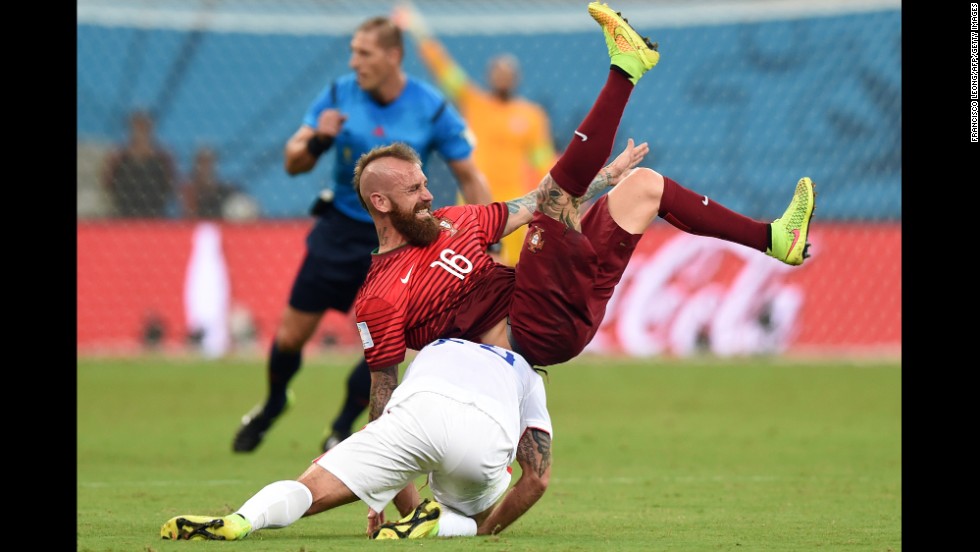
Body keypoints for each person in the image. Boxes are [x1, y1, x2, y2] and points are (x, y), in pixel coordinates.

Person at [350, 0, 815, 469]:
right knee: (555, 200)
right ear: (382, 204)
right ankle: (626, 69)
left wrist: (602, 180)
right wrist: (384, 494)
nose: (429, 194)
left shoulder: (482, 182)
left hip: (551, 283)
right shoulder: (382, 291)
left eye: (426, 183)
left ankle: (775, 238)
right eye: (415, 189)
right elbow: (383, 396)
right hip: (530, 323)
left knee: (643, 187)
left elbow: (537, 196)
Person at [231, 15, 492, 454]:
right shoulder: (338, 95)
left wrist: (488, 237)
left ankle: (339, 428)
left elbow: (470, 174)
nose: (354, 62)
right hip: (339, 231)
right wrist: (317, 141)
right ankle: (275, 402)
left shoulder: (431, 106)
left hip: (399, 243)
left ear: (393, 56)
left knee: (386, 340)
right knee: (291, 336)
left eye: (364, 53)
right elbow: (293, 160)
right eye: (353, 52)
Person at [161, 337, 553, 540]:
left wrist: (380, 492)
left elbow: (386, 425)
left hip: (415, 414)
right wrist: (487, 531)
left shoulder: (435, 348)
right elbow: (536, 477)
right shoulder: (526, 373)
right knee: (470, 512)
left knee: (307, 491)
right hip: (480, 439)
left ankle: (241, 520)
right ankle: (446, 523)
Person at [393, 0, 558, 267]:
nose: (502, 79)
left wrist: (562, 196)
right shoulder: (474, 102)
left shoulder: (531, 115)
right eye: (498, 73)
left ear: (516, 79)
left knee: (513, 269)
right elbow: (444, 69)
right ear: (489, 77)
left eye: (508, 74)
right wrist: (416, 28)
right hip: (475, 201)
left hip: (516, 201)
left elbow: (544, 160)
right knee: (475, 265)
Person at [101, 109, 178, 218]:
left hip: (154, 211)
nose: (141, 129)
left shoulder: (163, 156)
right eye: (137, 125)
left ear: (151, 128)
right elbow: (107, 182)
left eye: (144, 125)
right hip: (125, 210)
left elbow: (172, 183)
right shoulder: (119, 155)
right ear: (131, 128)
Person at [180, 146, 246, 220]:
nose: (206, 167)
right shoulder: (189, 190)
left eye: (209, 162)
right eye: (202, 162)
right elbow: (189, 217)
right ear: (196, 165)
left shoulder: (225, 190)